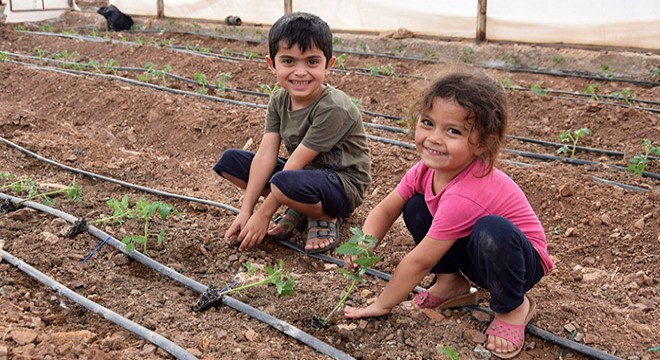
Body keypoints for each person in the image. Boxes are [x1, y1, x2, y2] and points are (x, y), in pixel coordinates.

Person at [343, 73, 554, 358]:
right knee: (416, 206)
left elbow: (420, 260)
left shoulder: (466, 193)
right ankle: (450, 283)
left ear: (482, 144)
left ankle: (512, 307)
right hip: (477, 253)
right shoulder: (425, 171)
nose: (434, 138)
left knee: (492, 230)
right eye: (428, 123)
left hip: (519, 263)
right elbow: (386, 209)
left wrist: (383, 303)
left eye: (453, 131)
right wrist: (363, 244)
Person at [213, 12, 371, 254]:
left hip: (341, 184)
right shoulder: (279, 99)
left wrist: (264, 214)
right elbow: (266, 154)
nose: (300, 72)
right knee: (230, 162)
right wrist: (246, 212)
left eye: (311, 62)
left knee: (286, 180)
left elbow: (295, 164)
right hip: (301, 177)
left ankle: (326, 216)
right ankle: (299, 206)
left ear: (328, 65)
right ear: (271, 64)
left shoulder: (333, 107)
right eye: (288, 61)